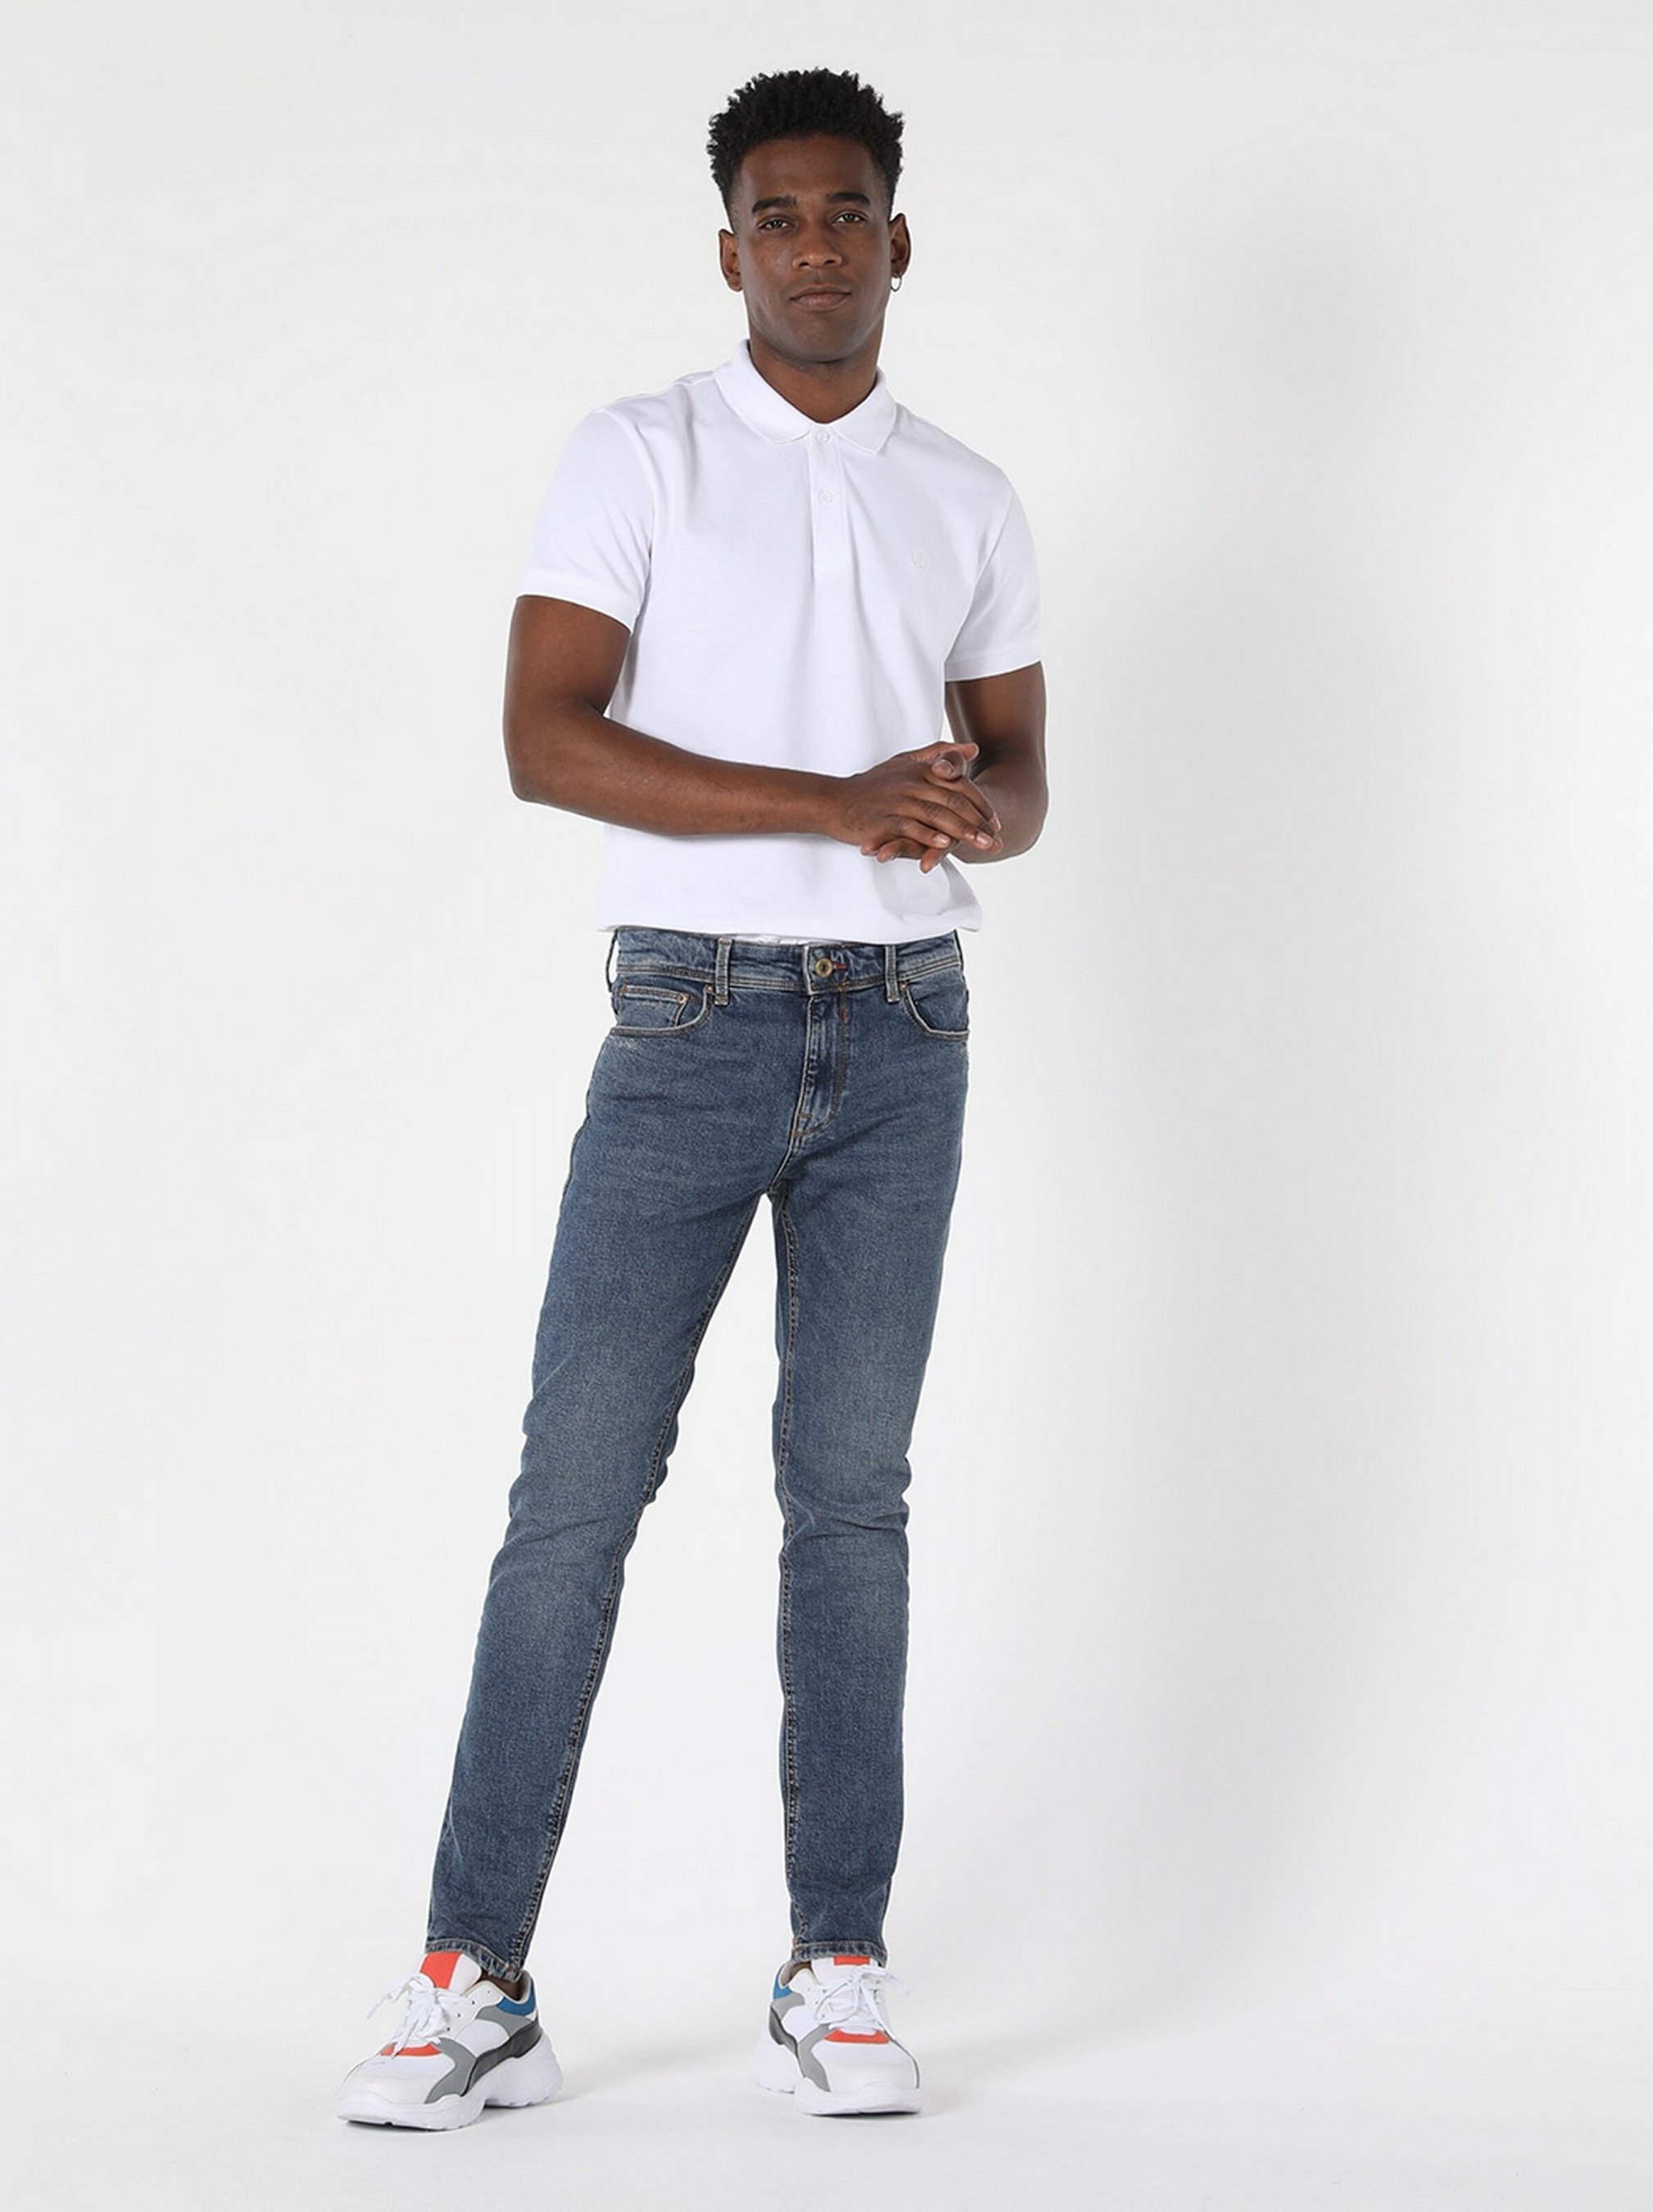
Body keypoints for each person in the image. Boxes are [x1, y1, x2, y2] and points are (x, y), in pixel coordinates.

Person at [337, 65, 1046, 2128]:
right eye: (776, 216)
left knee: (850, 1501)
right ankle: (473, 1977)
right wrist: (834, 800)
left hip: (905, 1031)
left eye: (845, 212)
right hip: (689, 1021)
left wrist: (966, 813)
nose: (814, 246)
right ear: (728, 248)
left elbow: (1018, 771)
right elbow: (545, 741)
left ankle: (836, 1967)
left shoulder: (967, 493)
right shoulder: (634, 453)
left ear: (897, 239)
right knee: (575, 1494)